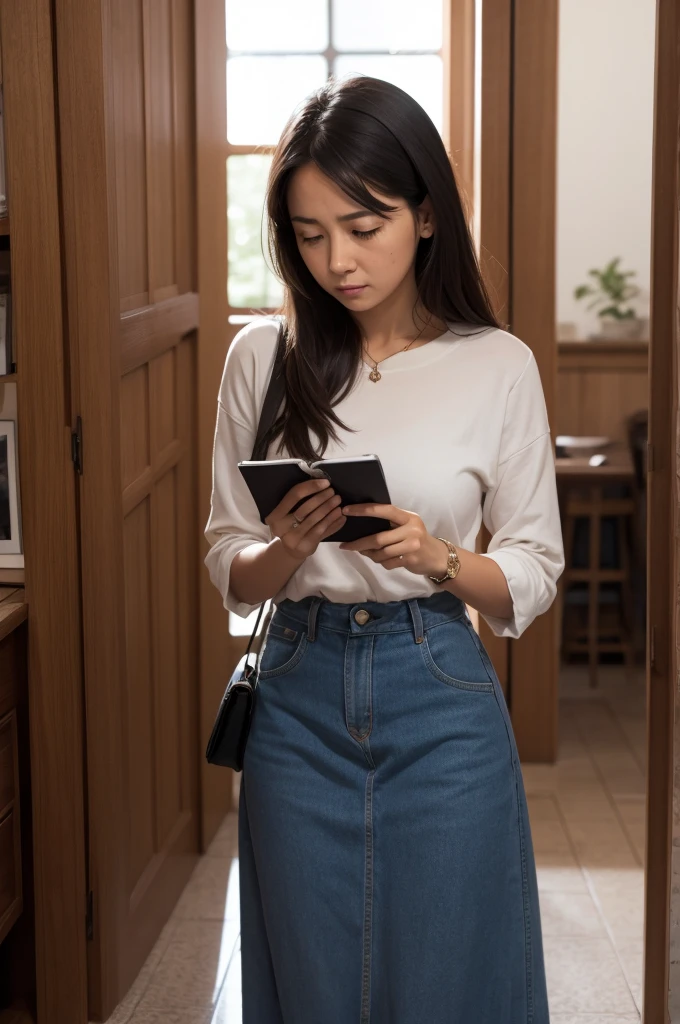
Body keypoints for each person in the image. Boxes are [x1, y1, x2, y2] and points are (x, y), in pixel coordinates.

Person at [205, 74, 564, 1024]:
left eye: (363, 228)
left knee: (451, 977)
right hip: (295, 691)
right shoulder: (261, 357)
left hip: (438, 686)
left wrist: (438, 556)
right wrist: (284, 548)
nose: (337, 262)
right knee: (313, 980)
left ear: (428, 215)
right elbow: (228, 565)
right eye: (309, 234)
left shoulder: (498, 363)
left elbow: (531, 570)